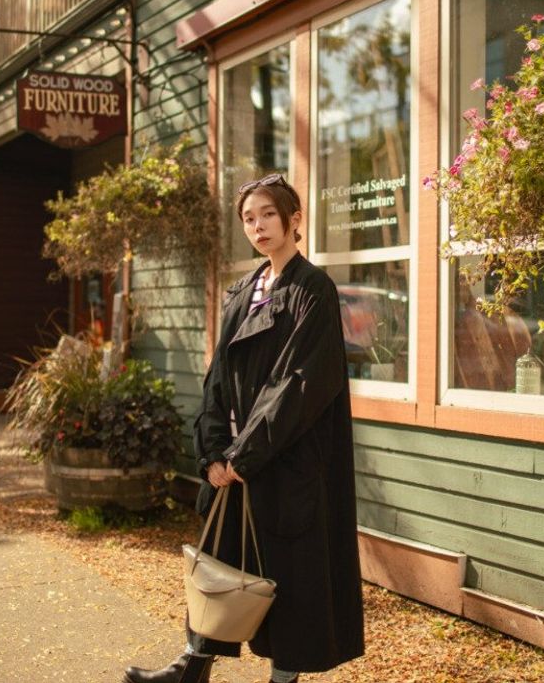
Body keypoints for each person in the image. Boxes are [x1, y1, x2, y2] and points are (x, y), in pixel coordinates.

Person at [124, 174, 365, 683]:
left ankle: (283, 678)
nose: (257, 226)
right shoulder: (243, 291)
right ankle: (192, 667)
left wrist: (243, 456)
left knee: (291, 575)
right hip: (235, 456)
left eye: (268, 215)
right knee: (218, 559)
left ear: (294, 219)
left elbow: (296, 384)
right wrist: (212, 453)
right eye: (249, 218)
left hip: (288, 457)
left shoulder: (312, 291)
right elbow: (218, 378)